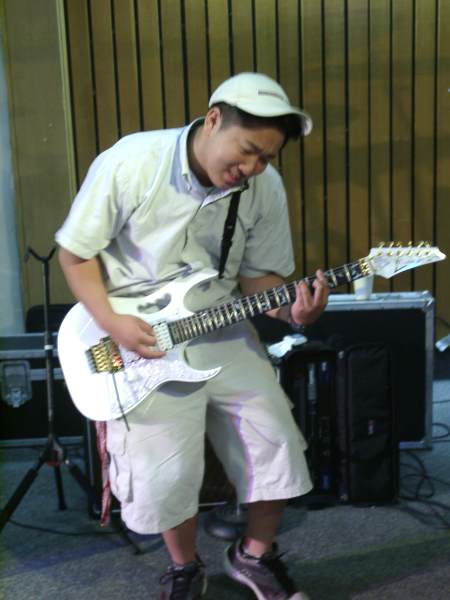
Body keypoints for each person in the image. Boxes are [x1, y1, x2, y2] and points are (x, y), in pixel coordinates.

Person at [56, 72, 329, 600]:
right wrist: (111, 322)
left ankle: (254, 556)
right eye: (247, 151)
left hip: (221, 322)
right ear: (213, 120)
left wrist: (295, 311)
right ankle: (183, 567)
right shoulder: (132, 162)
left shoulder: (263, 186)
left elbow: (260, 280)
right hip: (132, 334)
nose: (252, 168)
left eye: (266, 158)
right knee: (165, 470)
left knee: (275, 441)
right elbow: (75, 253)